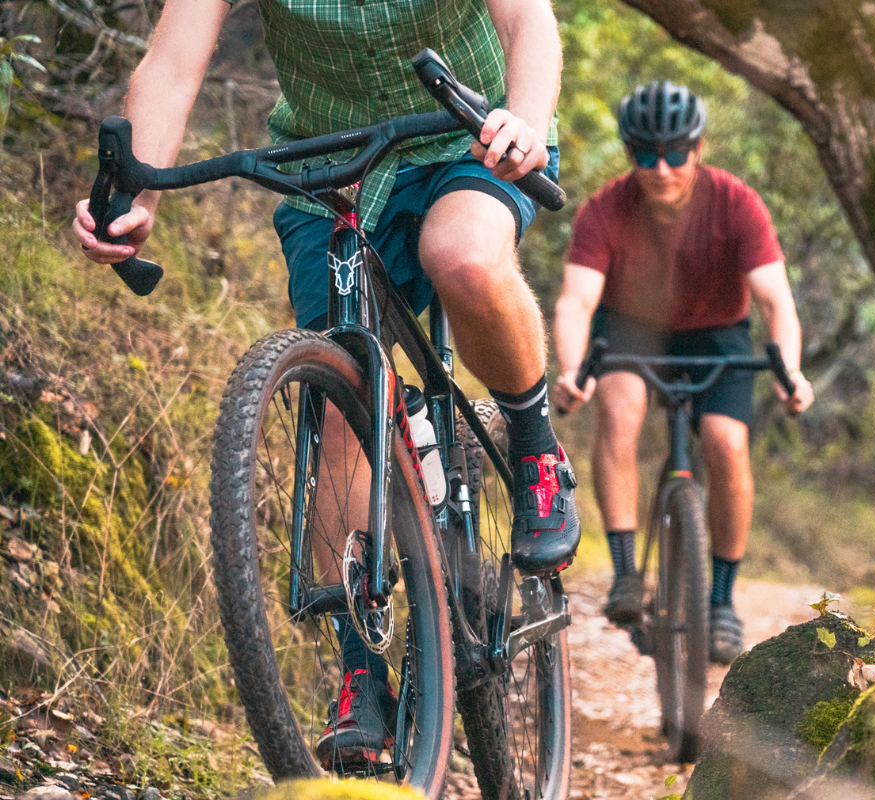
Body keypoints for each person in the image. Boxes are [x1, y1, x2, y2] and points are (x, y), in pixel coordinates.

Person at [71, 0, 579, 770]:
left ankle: (536, 451)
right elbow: (173, 63)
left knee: (464, 255)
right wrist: (133, 201)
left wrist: (527, 120)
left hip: (466, 137)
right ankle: (358, 674)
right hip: (329, 164)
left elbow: (529, 22)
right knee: (344, 393)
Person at [552, 81, 814, 665]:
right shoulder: (605, 210)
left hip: (717, 331)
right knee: (620, 410)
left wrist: (789, 371)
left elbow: (776, 302)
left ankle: (721, 601)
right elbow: (576, 302)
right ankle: (625, 575)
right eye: (646, 156)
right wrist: (573, 369)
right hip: (632, 329)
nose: (662, 169)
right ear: (630, 155)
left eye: (675, 154)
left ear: (698, 148)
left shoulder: (736, 202)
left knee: (725, 442)